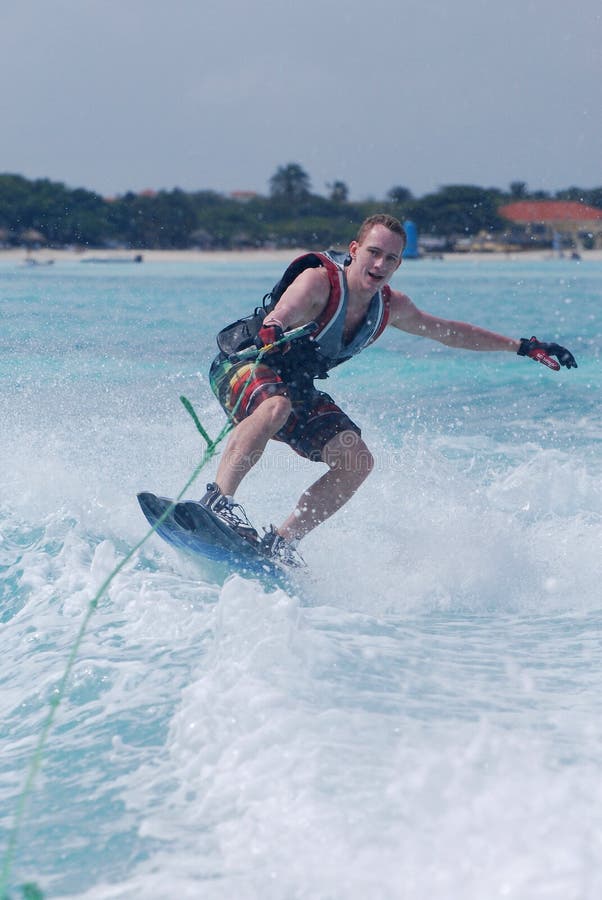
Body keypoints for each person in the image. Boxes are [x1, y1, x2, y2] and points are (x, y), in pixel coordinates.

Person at [203, 214, 577, 565]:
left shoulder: (391, 307)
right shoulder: (319, 282)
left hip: (293, 385)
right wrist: (275, 327)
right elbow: (283, 311)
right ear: (354, 251)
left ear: (399, 265)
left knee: (357, 461)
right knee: (275, 409)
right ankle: (217, 501)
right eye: (373, 253)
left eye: (391, 258)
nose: (380, 265)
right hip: (245, 364)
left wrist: (522, 346)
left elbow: (449, 332)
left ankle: (281, 544)